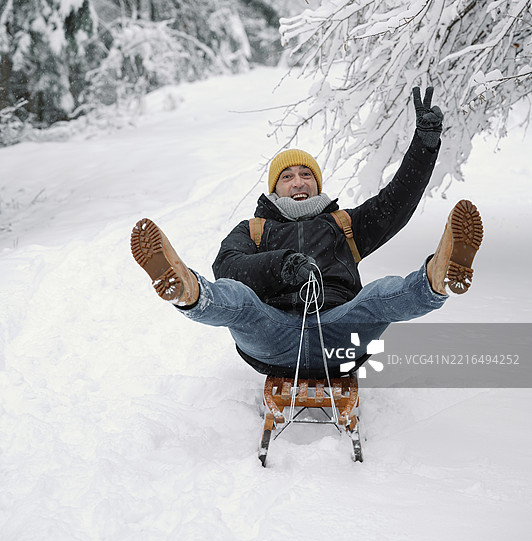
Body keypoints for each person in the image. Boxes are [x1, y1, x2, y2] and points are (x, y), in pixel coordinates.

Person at [130, 87, 483, 377]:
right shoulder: (254, 230)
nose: (298, 181)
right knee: (236, 298)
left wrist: (424, 146)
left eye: (306, 174)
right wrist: (283, 265)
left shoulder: (344, 225)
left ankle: (439, 277)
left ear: (316, 183)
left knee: (379, 295)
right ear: (275, 188)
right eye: (287, 176)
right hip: (273, 334)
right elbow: (228, 267)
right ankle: (185, 289)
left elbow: (397, 202)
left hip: (341, 330)